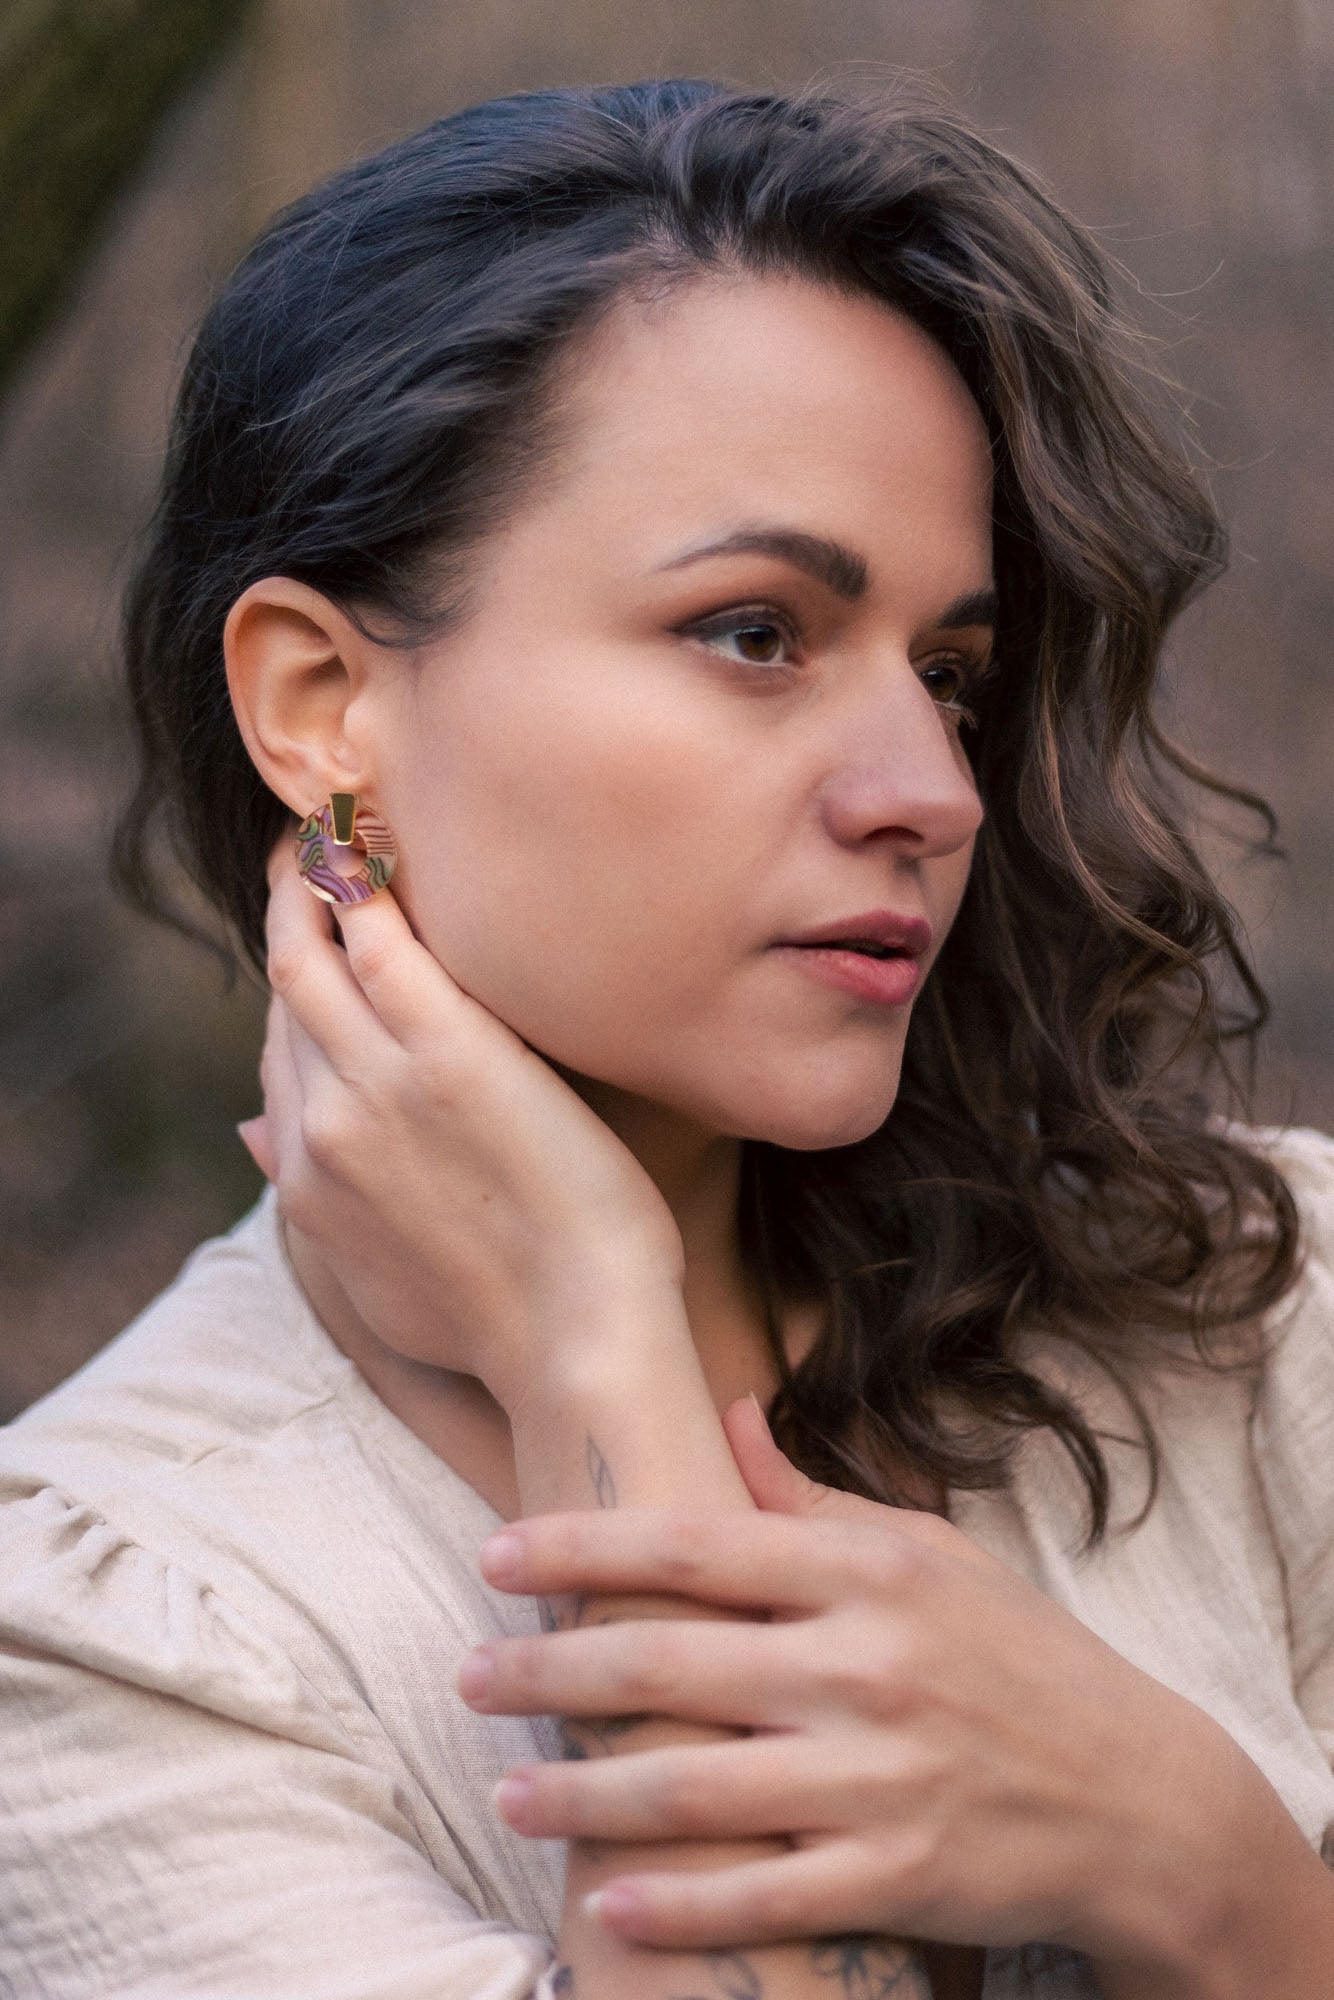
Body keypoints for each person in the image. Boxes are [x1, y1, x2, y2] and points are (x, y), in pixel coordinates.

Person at [2, 74, 1332, 2000]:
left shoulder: (1265, 1331)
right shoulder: (118, 1639)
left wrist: (1211, 1879)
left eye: (947, 673)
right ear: (315, 704)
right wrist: (589, 1352)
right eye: (756, 633)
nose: (924, 790)